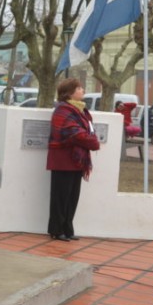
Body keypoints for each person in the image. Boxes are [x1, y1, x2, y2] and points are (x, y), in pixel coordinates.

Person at [47, 78, 100, 241]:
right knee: (60, 198)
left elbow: (85, 131)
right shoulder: (62, 110)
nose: (82, 90)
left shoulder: (81, 110)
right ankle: (56, 230)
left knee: (72, 197)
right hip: (63, 160)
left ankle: (68, 229)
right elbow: (73, 133)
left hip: (76, 161)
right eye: (78, 88)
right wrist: (93, 142)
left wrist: (91, 140)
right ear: (69, 92)